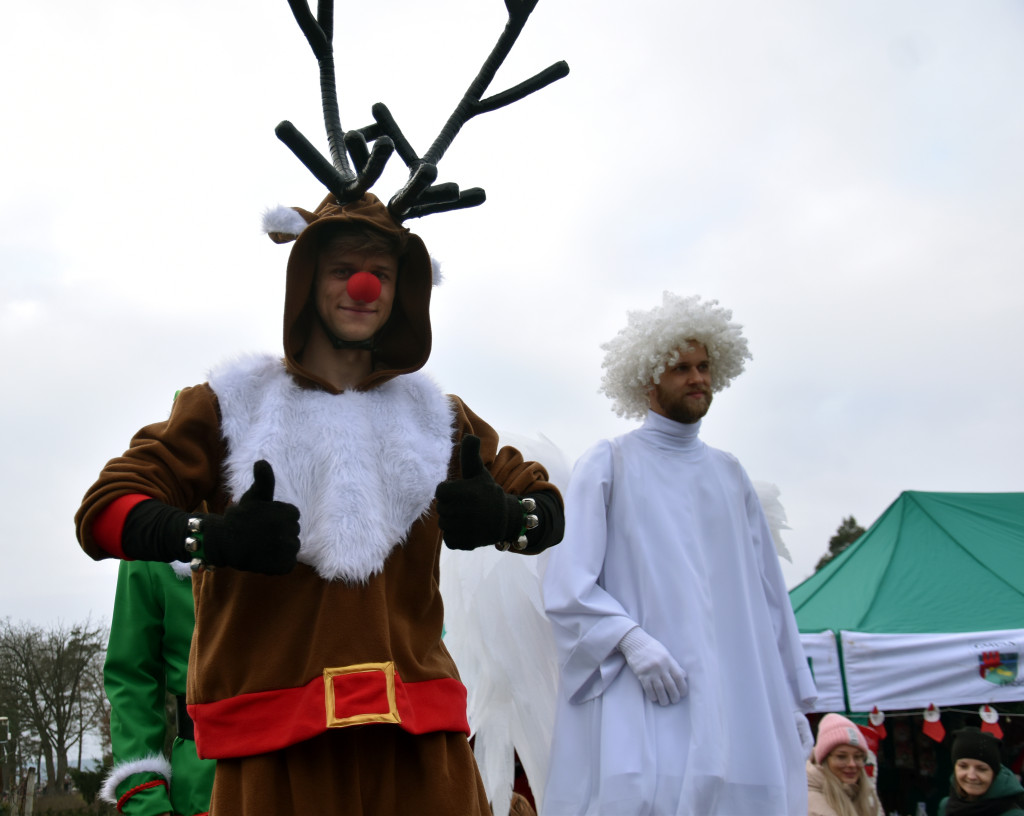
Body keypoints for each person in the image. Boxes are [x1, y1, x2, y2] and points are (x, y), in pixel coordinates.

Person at [75, 191, 564, 816]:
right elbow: (104, 511)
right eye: (342, 269)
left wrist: (507, 518)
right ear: (306, 279)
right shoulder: (231, 402)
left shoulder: (436, 416)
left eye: (381, 274)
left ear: (402, 290)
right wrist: (213, 539)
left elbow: (544, 505)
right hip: (278, 750)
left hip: (422, 748)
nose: (363, 287)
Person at [542, 292, 817, 815]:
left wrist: (788, 696)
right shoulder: (611, 462)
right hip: (645, 699)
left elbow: (770, 597)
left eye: (705, 366)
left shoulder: (730, 474)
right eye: (681, 368)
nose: (698, 379)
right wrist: (629, 639)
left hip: (738, 706)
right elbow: (567, 580)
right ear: (647, 378)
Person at [99, 559, 215, 816]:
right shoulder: (152, 528)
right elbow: (132, 678)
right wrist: (146, 800)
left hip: (315, 772)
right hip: (205, 786)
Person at [807, 713, 883, 816]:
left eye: (857, 757)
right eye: (841, 757)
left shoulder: (866, 794)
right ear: (824, 760)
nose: (852, 764)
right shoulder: (809, 802)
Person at [938, 727, 1024, 816]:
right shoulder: (946, 806)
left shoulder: (1013, 813)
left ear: (994, 773)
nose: (971, 776)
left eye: (981, 769)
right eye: (963, 766)